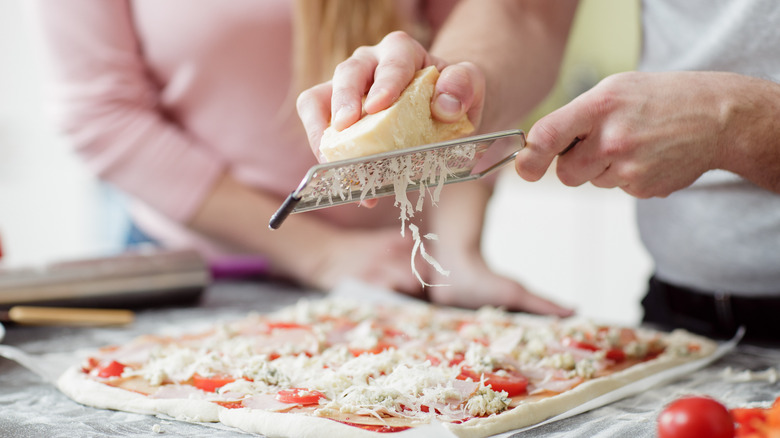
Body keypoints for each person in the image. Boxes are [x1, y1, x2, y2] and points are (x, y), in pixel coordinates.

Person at [31, 0, 571, 316]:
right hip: (201, 272)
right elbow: (101, 112)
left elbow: (472, 80)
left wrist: (452, 258)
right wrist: (318, 253)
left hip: (391, 274)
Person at [297, 0, 780, 341]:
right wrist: (452, 80)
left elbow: (736, 119)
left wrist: (737, 122)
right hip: (681, 314)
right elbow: (523, 12)